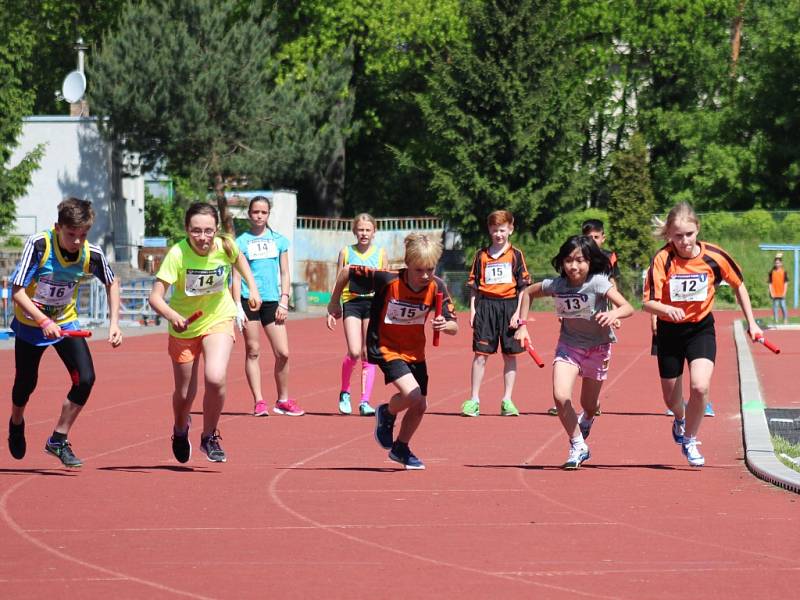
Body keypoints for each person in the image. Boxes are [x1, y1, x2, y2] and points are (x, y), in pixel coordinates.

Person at [643, 202, 761, 467]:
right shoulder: (662, 260)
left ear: (698, 230)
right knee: (672, 400)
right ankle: (680, 418)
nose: (684, 241)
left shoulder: (715, 257)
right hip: (670, 331)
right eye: (678, 236)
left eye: (689, 234)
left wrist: (751, 323)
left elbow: (739, 286)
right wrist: (666, 308)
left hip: (700, 329)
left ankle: (691, 438)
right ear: (669, 236)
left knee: (700, 386)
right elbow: (647, 303)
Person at [7, 197, 122, 468]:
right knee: (26, 382)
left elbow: (112, 282)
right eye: (72, 234)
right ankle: (16, 421)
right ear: (58, 227)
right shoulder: (39, 245)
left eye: (83, 235)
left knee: (86, 379)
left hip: (65, 323)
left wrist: (114, 322)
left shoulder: (91, 254)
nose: (78, 241)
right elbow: (17, 290)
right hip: (31, 324)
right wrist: (43, 321)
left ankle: (58, 438)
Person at [326, 233, 458, 470]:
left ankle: (400, 448)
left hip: (415, 352)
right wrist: (334, 302)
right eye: (419, 270)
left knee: (419, 405)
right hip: (386, 346)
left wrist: (445, 325)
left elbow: (454, 326)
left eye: (430, 269)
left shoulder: (437, 286)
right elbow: (346, 272)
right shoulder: (387, 280)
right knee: (413, 395)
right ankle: (387, 413)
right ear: (408, 264)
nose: (425, 275)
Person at [149, 202, 261, 464]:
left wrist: (252, 290)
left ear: (217, 229)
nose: (202, 237)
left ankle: (209, 436)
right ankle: (180, 428)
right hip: (184, 325)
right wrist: (173, 316)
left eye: (208, 231)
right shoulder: (177, 254)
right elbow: (155, 297)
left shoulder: (226, 245)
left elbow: (240, 260)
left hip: (218, 317)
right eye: (196, 231)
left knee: (215, 377)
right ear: (187, 230)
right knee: (184, 394)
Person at [515, 235, 633, 469]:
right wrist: (522, 326)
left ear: (590, 262)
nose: (573, 266)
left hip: (598, 349)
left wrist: (613, 314)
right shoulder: (557, 285)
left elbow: (628, 307)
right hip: (569, 346)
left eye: (579, 260)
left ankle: (587, 418)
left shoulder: (598, 282)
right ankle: (578, 445)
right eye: (568, 260)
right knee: (560, 396)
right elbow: (527, 293)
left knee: (588, 405)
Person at [231, 196, 304, 418]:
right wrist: (237, 307)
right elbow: (235, 277)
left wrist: (285, 299)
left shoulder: (278, 241)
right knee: (253, 350)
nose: (259, 216)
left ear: (268, 215)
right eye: (255, 212)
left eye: (263, 212)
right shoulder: (240, 242)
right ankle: (259, 401)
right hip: (249, 300)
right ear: (249, 214)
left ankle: (282, 400)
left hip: (273, 301)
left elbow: (284, 272)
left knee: (283, 352)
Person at [462, 210, 530, 417]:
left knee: (510, 356)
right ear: (489, 231)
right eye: (494, 230)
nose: (498, 234)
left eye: (502, 230)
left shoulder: (516, 255)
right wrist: (473, 310)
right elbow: (474, 286)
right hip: (486, 307)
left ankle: (507, 400)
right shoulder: (481, 256)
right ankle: (474, 399)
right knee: (480, 355)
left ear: (510, 229)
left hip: (509, 307)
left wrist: (517, 313)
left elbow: (523, 288)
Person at [548, 218, 619, 417]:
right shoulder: (572, 260)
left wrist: (614, 312)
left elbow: (611, 285)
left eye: (596, 237)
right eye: (589, 237)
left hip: (598, 335)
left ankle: (590, 406)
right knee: (563, 388)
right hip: (572, 336)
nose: (592, 240)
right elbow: (551, 290)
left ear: (603, 238)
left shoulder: (606, 260)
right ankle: (563, 400)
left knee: (588, 400)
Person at [332, 213, 387, 416]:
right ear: (355, 231)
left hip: (373, 303)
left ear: (374, 232)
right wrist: (333, 305)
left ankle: (365, 401)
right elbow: (339, 280)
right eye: (360, 230)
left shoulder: (381, 253)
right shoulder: (346, 252)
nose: (364, 233)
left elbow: (385, 282)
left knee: (368, 352)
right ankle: (345, 391)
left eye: (368, 230)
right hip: (352, 302)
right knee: (354, 351)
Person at [768, 254, 789, 325]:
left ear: (781, 263)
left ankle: (785, 319)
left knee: (783, 306)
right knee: (775, 306)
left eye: (778, 263)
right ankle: (776, 319)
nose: (777, 264)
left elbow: (786, 283)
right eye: (776, 263)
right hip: (774, 293)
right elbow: (770, 283)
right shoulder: (771, 272)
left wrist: (784, 292)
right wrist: (771, 292)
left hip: (781, 293)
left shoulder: (784, 272)